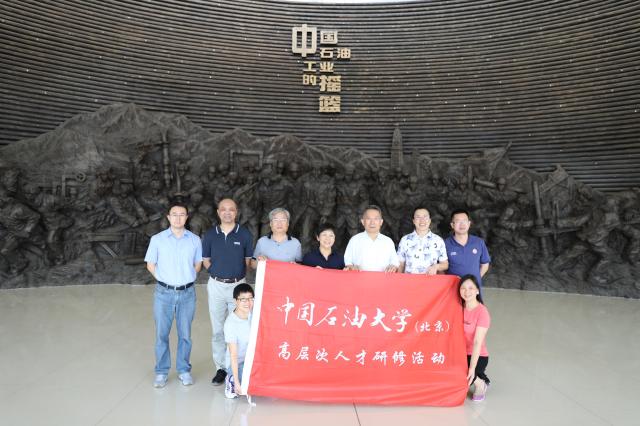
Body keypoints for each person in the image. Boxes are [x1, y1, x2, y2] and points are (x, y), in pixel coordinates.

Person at [144, 202, 202, 388]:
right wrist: (164, 279)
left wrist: (185, 278)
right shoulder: (157, 239)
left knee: (185, 335)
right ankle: (161, 372)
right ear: (168, 217)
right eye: (174, 214)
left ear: (186, 217)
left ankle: (184, 370)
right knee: (162, 334)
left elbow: (198, 264)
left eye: (182, 214)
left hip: (187, 294)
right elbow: (150, 264)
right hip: (164, 294)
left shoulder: (195, 240)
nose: (178, 218)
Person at [201, 198, 254, 386]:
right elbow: (206, 260)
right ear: (218, 212)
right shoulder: (210, 235)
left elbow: (247, 262)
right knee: (218, 330)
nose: (227, 212)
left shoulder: (245, 234)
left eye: (231, 209)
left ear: (236, 212)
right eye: (223, 209)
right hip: (216, 286)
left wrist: (233, 275)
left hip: (237, 286)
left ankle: (238, 367)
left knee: (240, 329)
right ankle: (221, 368)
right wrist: (218, 272)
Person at [459, 274, 491, 402]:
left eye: (471, 288)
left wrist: (471, 368)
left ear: (477, 290)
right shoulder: (457, 307)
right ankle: (480, 375)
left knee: (463, 375)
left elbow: (477, 342)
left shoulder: (482, 312)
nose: (467, 292)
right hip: (460, 353)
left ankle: (480, 383)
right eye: (463, 288)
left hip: (477, 355)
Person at [344, 205, 399, 272]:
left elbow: (395, 263)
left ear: (381, 222)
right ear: (362, 221)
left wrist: (393, 266)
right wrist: (351, 267)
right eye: (368, 219)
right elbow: (348, 262)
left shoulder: (388, 241)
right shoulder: (354, 240)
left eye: (376, 219)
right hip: (359, 278)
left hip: (383, 278)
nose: (372, 222)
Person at [445, 209, 491, 288]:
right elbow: (441, 268)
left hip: (473, 288)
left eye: (464, 221)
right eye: (458, 221)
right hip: (452, 287)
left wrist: (475, 280)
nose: (462, 224)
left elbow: (485, 264)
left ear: (469, 223)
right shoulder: (445, 244)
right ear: (452, 225)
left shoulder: (479, 242)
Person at [224, 283, 255, 399]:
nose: (248, 302)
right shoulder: (231, 324)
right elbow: (233, 355)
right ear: (235, 301)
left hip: (253, 359)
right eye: (243, 299)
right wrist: (237, 382)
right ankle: (231, 378)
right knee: (245, 383)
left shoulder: (254, 314)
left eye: (250, 298)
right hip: (239, 363)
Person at [397, 207, 448, 274]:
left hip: (430, 279)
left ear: (429, 220)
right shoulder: (405, 240)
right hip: (409, 280)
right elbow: (400, 264)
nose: (422, 220)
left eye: (425, 217)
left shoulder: (438, 240)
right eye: (418, 217)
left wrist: (436, 267)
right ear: (413, 221)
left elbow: (445, 264)